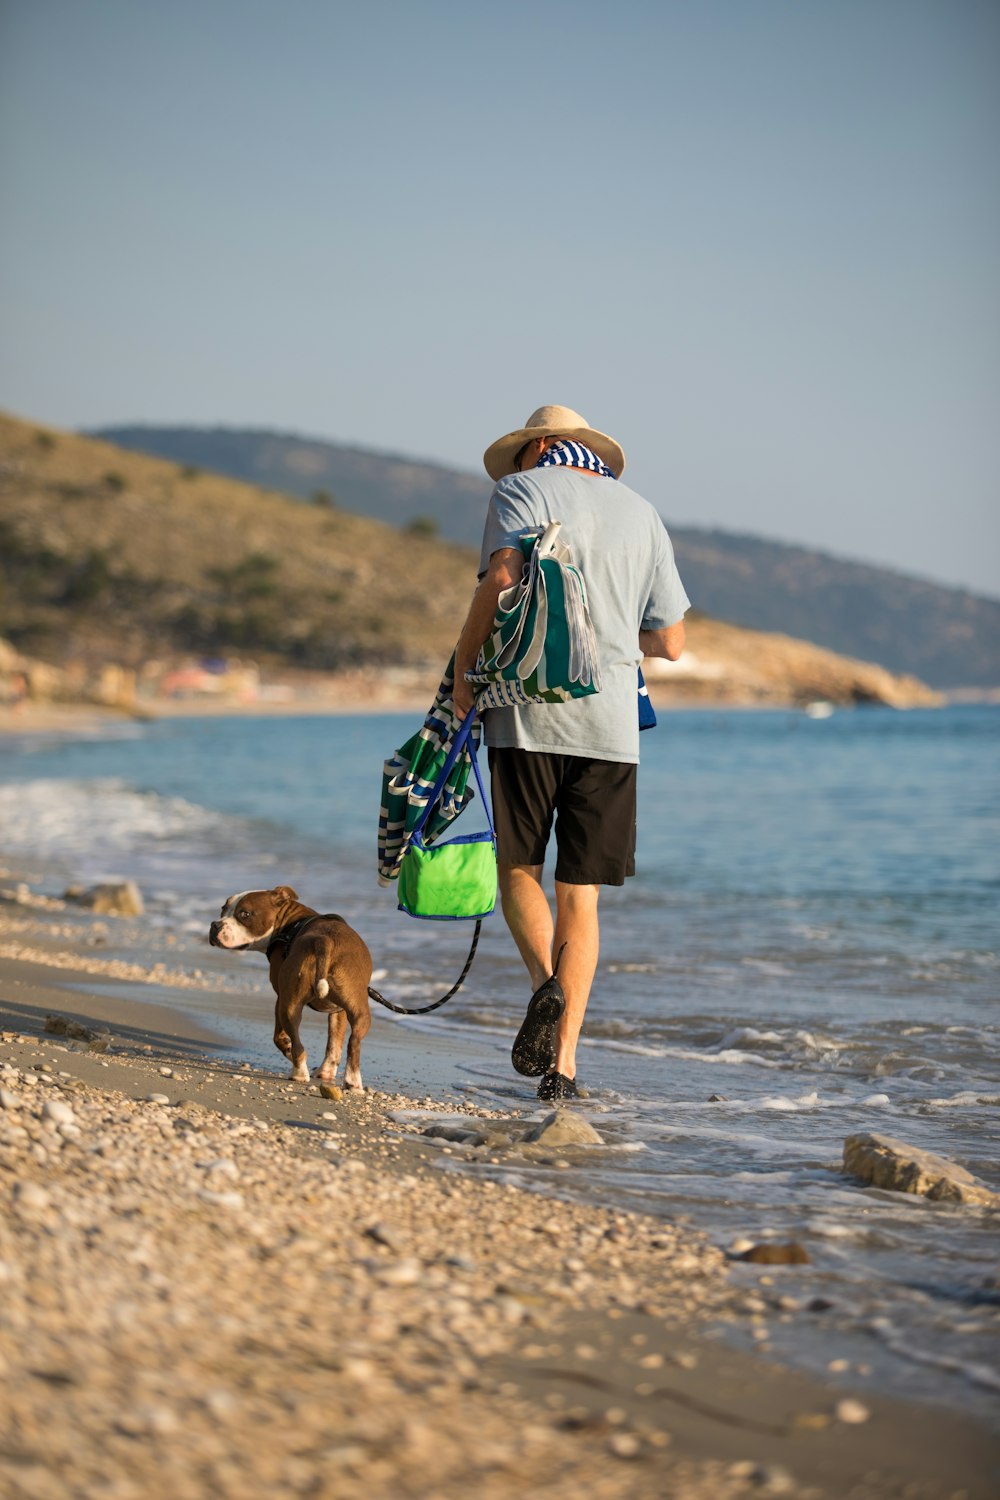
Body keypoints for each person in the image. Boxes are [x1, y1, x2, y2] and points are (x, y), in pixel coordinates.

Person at [452, 405, 689, 1099]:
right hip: (611, 725)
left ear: (544, 447)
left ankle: (544, 988)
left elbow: (500, 583)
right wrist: (612, 634)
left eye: (525, 452)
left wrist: (467, 674)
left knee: (519, 866)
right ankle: (563, 1068)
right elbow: (671, 642)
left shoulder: (519, 492)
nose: (521, 464)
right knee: (579, 893)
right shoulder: (642, 512)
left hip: (526, 711)